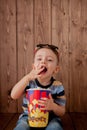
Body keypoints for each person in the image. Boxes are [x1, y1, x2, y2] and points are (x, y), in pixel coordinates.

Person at [11, 44, 66, 130]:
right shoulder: (28, 82)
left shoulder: (57, 86)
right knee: (21, 127)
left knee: (55, 127)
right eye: (39, 59)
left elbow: (62, 111)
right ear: (33, 67)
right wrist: (28, 77)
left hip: (50, 118)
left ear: (56, 69)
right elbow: (13, 95)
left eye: (49, 60)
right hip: (28, 116)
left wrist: (53, 106)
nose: (43, 62)